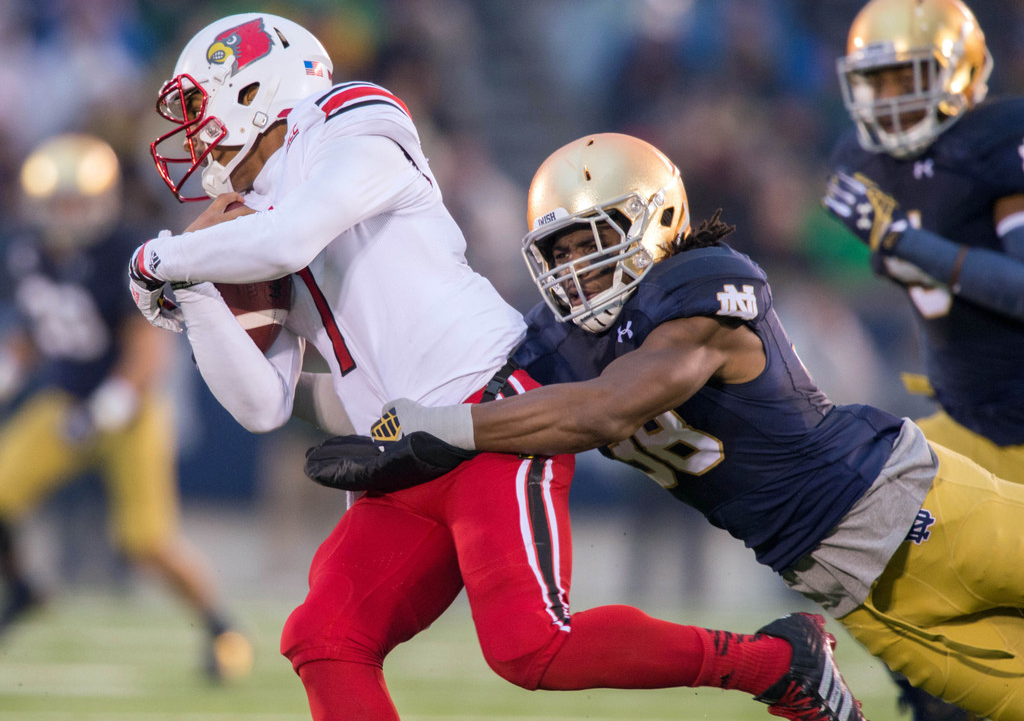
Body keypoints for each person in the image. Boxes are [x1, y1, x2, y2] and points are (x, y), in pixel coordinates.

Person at [130, 12, 869, 721]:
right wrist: (189, 292)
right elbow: (262, 405)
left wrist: (162, 257)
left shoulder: (351, 121)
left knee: (531, 648)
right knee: (323, 637)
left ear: (256, 87)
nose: (191, 134)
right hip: (400, 452)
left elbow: (289, 240)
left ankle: (779, 662)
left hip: (488, 414)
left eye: (197, 106)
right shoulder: (246, 225)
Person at [318, 132, 1024, 721]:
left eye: (591, 239)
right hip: (846, 589)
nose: (577, 268)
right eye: (559, 252)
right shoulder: (555, 343)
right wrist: (368, 421)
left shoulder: (701, 280)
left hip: (915, 508)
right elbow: (482, 401)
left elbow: (613, 406)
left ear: (653, 221)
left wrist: (442, 426)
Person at [823, 0, 1024, 719]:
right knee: (854, 546)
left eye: (907, 78)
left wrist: (915, 246)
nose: (888, 99)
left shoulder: (998, 143)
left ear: (963, 73)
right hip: (971, 426)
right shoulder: (867, 163)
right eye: (875, 81)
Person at [0, 133, 252, 682]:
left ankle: (221, 628)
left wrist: (109, 407)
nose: (67, 214)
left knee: (145, 540)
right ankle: (22, 587)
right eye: (58, 202)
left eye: (77, 200)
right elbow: (34, 331)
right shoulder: (27, 250)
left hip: (126, 409)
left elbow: (147, 345)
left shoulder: (124, 250)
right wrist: (9, 372)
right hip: (63, 401)